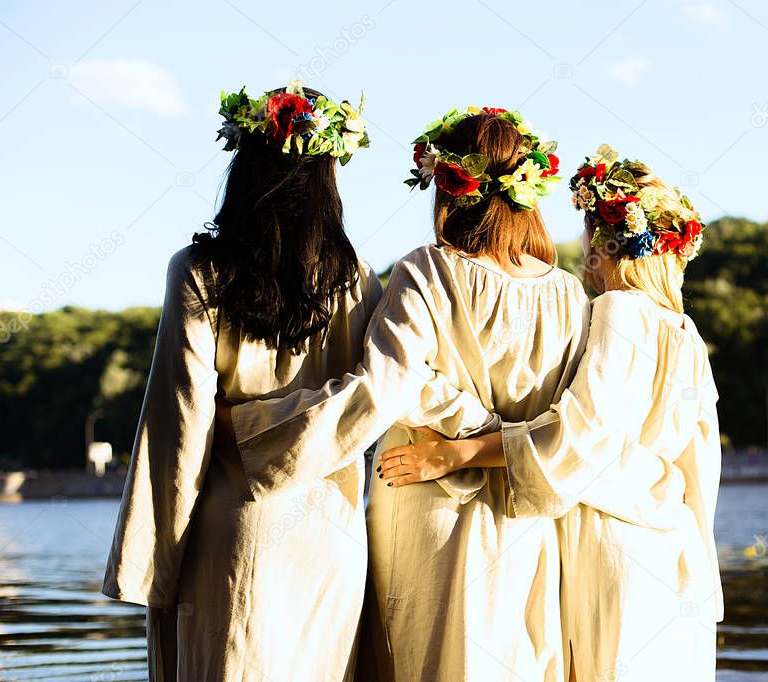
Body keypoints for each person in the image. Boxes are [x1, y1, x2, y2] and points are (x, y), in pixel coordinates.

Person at [102, 81, 466, 681]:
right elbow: (402, 385)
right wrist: (490, 435)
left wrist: (155, 564)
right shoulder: (356, 283)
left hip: (235, 526)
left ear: (245, 168)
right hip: (332, 533)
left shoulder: (200, 273)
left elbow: (179, 422)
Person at [217, 107, 589, 681]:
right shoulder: (569, 295)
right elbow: (573, 419)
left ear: (447, 185)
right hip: (528, 515)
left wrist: (255, 432)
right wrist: (505, 439)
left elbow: (392, 382)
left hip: (431, 499)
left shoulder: (428, 270)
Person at [379, 145, 725, 681]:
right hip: (672, 545)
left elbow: (579, 432)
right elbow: (701, 465)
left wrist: (457, 452)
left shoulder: (617, 311)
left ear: (604, 242)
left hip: (611, 539)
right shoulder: (686, 332)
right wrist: (701, 563)